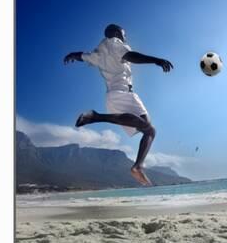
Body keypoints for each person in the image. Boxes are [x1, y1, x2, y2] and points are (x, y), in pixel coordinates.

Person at [63, 24, 173, 186]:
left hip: (115, 95)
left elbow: (83, 56)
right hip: (122, 94)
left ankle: (138, 167)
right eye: (124, 34)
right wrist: (155, 60)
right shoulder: (115, 42)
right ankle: (96, 117)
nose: (125, 37)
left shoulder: (98, 53)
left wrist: (73, 55)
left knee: (149, 130)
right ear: (116, 33)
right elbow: (129, 55)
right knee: (150, 130)